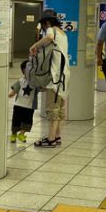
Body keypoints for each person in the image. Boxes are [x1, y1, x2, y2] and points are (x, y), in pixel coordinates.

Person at [31, 10, 70, 148]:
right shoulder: (63, 33)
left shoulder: (51, 30)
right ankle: (57, 136)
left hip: (55, 76)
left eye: (42, 24)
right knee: (59, 109)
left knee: (52, 109)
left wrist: (35, 45)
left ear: (46, 22)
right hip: (64, 75)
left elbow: (48, 37)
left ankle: (51, 139)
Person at [8, 60, 37, 143]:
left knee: (27, 121)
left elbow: (41, 88)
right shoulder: (20, 81)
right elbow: (13, 91)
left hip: (30, 106)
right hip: (19, 105)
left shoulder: (35, 82)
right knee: (16, 120)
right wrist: (10, 94)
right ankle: (13, 134)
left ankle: (22, 134)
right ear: (24, 71)